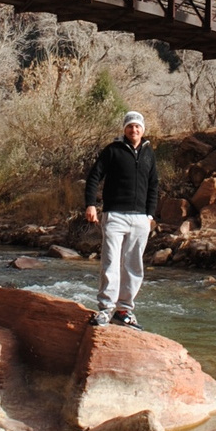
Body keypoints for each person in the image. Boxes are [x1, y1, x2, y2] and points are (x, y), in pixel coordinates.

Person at [84, 110, 159, 328]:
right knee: (110, 263)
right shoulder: (112, 150)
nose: (134, 130)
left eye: (137, 126)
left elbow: (154, 185)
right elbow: (94, 177)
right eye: (130, 126)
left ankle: (124, 310)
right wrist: (91, 204)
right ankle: (105, 309)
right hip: (114, 216)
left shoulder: (148, 153)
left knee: (134, 265)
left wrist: (150, 215)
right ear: (124, 129)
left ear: (142, 130)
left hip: (140, 219)